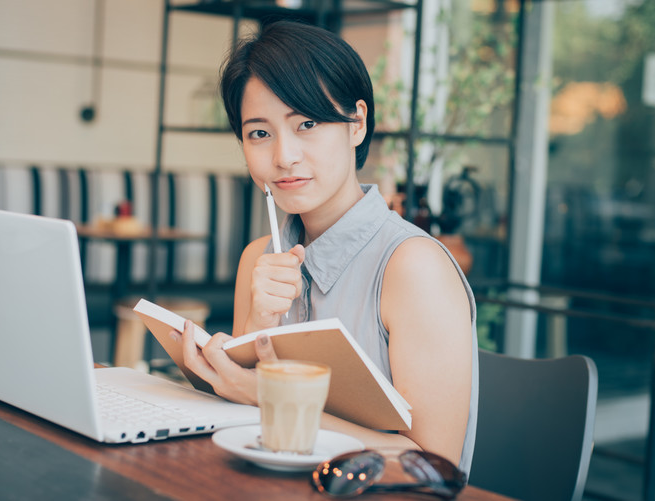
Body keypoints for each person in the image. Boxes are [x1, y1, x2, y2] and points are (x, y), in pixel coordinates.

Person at [175, 20, 478, 474]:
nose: (283, 156)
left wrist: (269, 394)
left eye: (307, 123)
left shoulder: (413, 267)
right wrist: (252, 335)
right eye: (260, 133)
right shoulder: (259, 260)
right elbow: (245, 424)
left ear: (356, 124)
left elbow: (432, 465)